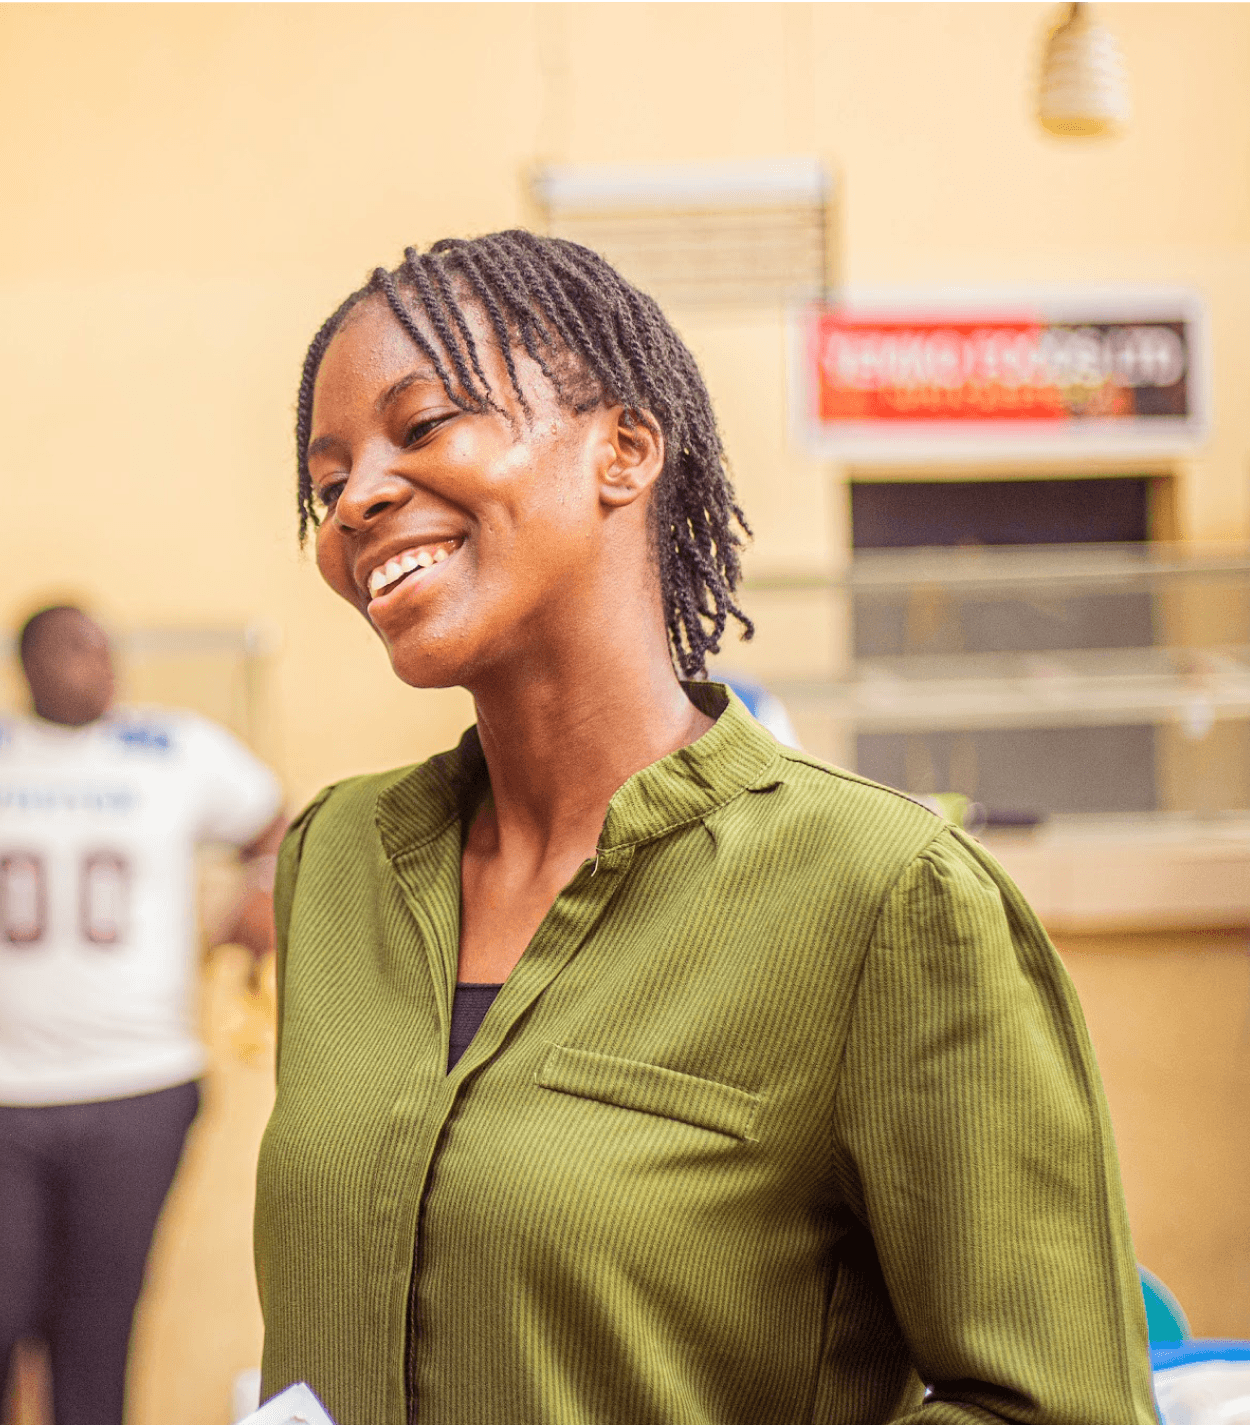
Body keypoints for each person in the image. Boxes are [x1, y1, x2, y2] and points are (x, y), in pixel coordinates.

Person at [254, 232, 1157, 1425]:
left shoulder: (885, 896)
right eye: (329, 482)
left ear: (622, 450)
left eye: (422, 429)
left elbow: (1054, 1407)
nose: (356, 501)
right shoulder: (336, 865)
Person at [0, 605, 286, 1425]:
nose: (101, 664)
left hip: (139, 1081)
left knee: (95, 1330)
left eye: (106, 648)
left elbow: (272, 821)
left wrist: (254, 898)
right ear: (30, 663)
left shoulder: (174, 749)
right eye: (76, 647)